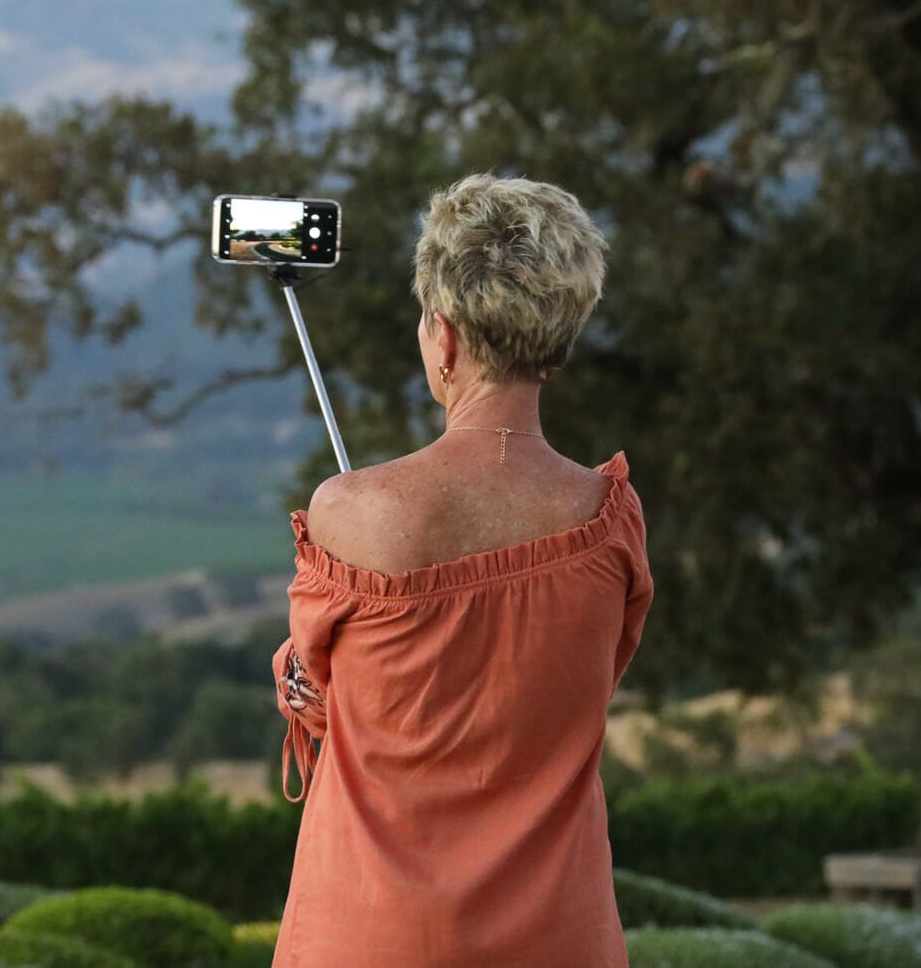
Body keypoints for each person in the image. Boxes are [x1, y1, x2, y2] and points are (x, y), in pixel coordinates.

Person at [271, 174, 653, 967]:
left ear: (442, 337)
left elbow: (319, 695)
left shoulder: (350, 513)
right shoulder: (611, 522)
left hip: (372, 937)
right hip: (561, 938)